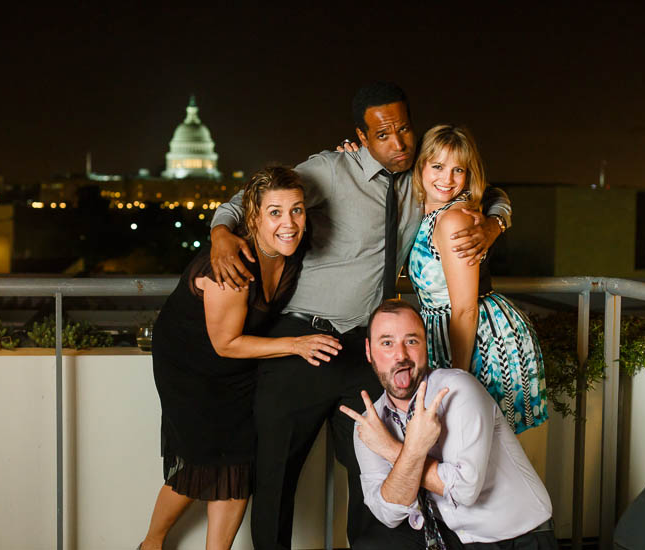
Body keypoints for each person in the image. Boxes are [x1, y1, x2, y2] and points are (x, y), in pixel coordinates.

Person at [209, 82, 512, 549]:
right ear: (361, 135)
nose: (398, 143)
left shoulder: (423, 179)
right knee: (275, 475)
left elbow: (487, 193)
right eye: (383, 134)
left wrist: (492, 223)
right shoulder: (329, 169)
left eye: (405, 129)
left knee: (383, 470)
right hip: (301, 342)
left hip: (365, 351)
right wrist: (220, 235)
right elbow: (247, 199)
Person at [139, 166, 342, 550]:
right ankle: (151, 543)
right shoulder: (229, 269)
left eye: (297, 210)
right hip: (192, 366)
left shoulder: (293, 244)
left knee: (238, 464)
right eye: (276, 212)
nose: (290, 223)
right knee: (202, 463)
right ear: (253, 217)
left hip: (239, 366)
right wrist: (297, 344)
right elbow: (225, 344)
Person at [341, 299, 557, 550]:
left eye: (411, 341)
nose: (400, 355)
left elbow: (465, 491)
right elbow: (388, 514)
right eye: (387, 343)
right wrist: (408, 451)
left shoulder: (459, 389)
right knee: (373, 546)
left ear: (426, 347)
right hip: (452, 538)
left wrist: (392, 449)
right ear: (369, 351)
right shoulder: (371, 425)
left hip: (517, 537)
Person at [408, 124, 547, 434]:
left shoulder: (454, 219)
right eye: (438, 166)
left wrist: (457, 379)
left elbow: (465, 310)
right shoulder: (426, 212)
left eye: (458, 169)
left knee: (480, 453)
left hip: (477, 341)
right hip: (447, 334)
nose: (446, 179)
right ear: (421, 166)